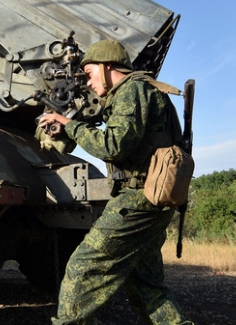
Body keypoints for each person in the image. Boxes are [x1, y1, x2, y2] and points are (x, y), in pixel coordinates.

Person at [39, 39, 193, 325]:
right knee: (145, 284)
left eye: (90, 74)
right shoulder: (143, 91)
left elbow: (113, 146)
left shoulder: (132, 90)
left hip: (137, 200)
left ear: (107, 67)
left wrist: (70, 125)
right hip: (154, 200)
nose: (88, 83)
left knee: (82, 269)